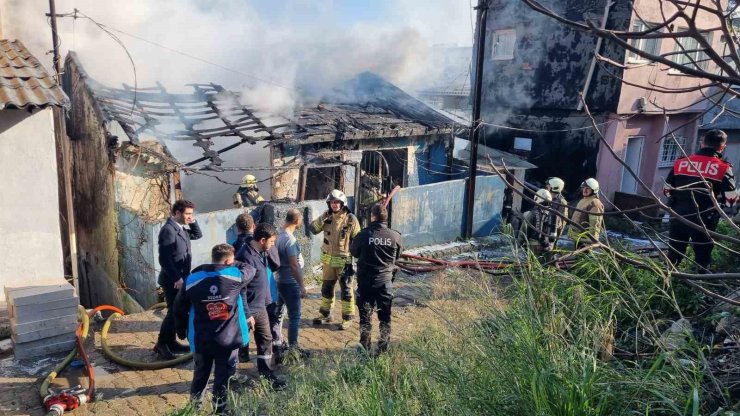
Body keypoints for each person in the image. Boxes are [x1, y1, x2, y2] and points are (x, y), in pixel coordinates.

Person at [173, 244, 256, 415]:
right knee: (222, 378)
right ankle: (220, 411)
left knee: (200, 375)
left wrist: (181, 331)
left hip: (201, 339)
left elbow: (178, 308)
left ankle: (194, 409)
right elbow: (250, 269)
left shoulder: (191, 280)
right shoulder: (234, 276)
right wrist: (230, 264)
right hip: (227, 339)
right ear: (228, 261)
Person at [664, 129, 737, 272]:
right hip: (705, 220)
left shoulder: (681, 162)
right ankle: (698, 287)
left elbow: (667, 191)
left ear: (702, 143)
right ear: (722, 147)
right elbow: (731, 200)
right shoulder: (723, 168)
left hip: (678, 216)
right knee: (702, 259)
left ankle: (666, 286)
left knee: (674, 256)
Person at [235, 223, 286, 389]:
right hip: (249, 309)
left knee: (265, 340)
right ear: (262, 240)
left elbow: (275, 265)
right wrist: (247, 313)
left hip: (261, 306)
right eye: (271, 242)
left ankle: (266, 374)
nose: (272, 245)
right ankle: (230, 375)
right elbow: (241, 288)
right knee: (238, 341)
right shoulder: (246, 257)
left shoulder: (259, 250)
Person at [350, 204, 402, 354]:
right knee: (385, 318)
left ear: (372, 217)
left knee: (365, 318)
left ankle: (364, 349)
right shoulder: (395, 236)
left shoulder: (363, 235)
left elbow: (354, 252)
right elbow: (397, 256)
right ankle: (383, 349)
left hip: (366, 284)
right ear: (386, 218)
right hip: (385, 284)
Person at [154, 199, 203, 360]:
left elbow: (197, 234)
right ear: (177, 213)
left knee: (177, 311)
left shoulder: (180, 228)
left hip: (182, 278)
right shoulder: (168, 230)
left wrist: (192, 221)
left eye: (191, 214)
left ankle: (171, 342)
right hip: (173, 281)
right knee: (173, 312)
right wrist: (177, 278)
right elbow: (165, 259)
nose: (190, 217)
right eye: (187, 214)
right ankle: (162, 345)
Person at [309, 189, 361, 330]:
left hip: (344, 263)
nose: (334, 205)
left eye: (337, 202)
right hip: (328, 263)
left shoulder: (351, 219)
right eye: (332, 202)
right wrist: (322, 219)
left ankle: (347, 317)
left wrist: (354, 261)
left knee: (346, 290)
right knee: (326, 289)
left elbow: (358, 240)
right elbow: (312, 229)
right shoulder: (326, 218)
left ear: (342, 203)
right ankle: (326, 315)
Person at [275, 208, 309, 358]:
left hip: (279, 280)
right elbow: (294, 265)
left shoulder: (278, 236)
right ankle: (293, 349)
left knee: (278, 314)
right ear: (297, 221)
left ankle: (276, 343)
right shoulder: (290, 240)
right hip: (290, 282)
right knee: (294, 316)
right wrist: (301, 285)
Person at [568, 178, 605, 247]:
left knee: (580, 257)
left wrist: (590, 241)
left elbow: (595, 224)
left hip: (585, 241)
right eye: (583, 187)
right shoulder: (584, 200)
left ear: (594, 190)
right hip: (578, 238)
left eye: (588, 188)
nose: (584, 190)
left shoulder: (595, 203)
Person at [517, 189, 556, 254]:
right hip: (549, 247)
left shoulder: (533, 213)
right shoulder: (554, 214)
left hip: (534, 247)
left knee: (532, 264)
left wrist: (518, 247)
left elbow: (523, 231)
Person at [545, 177, 569, 243]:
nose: (547, 186)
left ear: (554, 187)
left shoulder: (562, 202)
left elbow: (562, 222)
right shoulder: (545, 197)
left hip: (551, 233)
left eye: (549, 185)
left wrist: (556, 237)